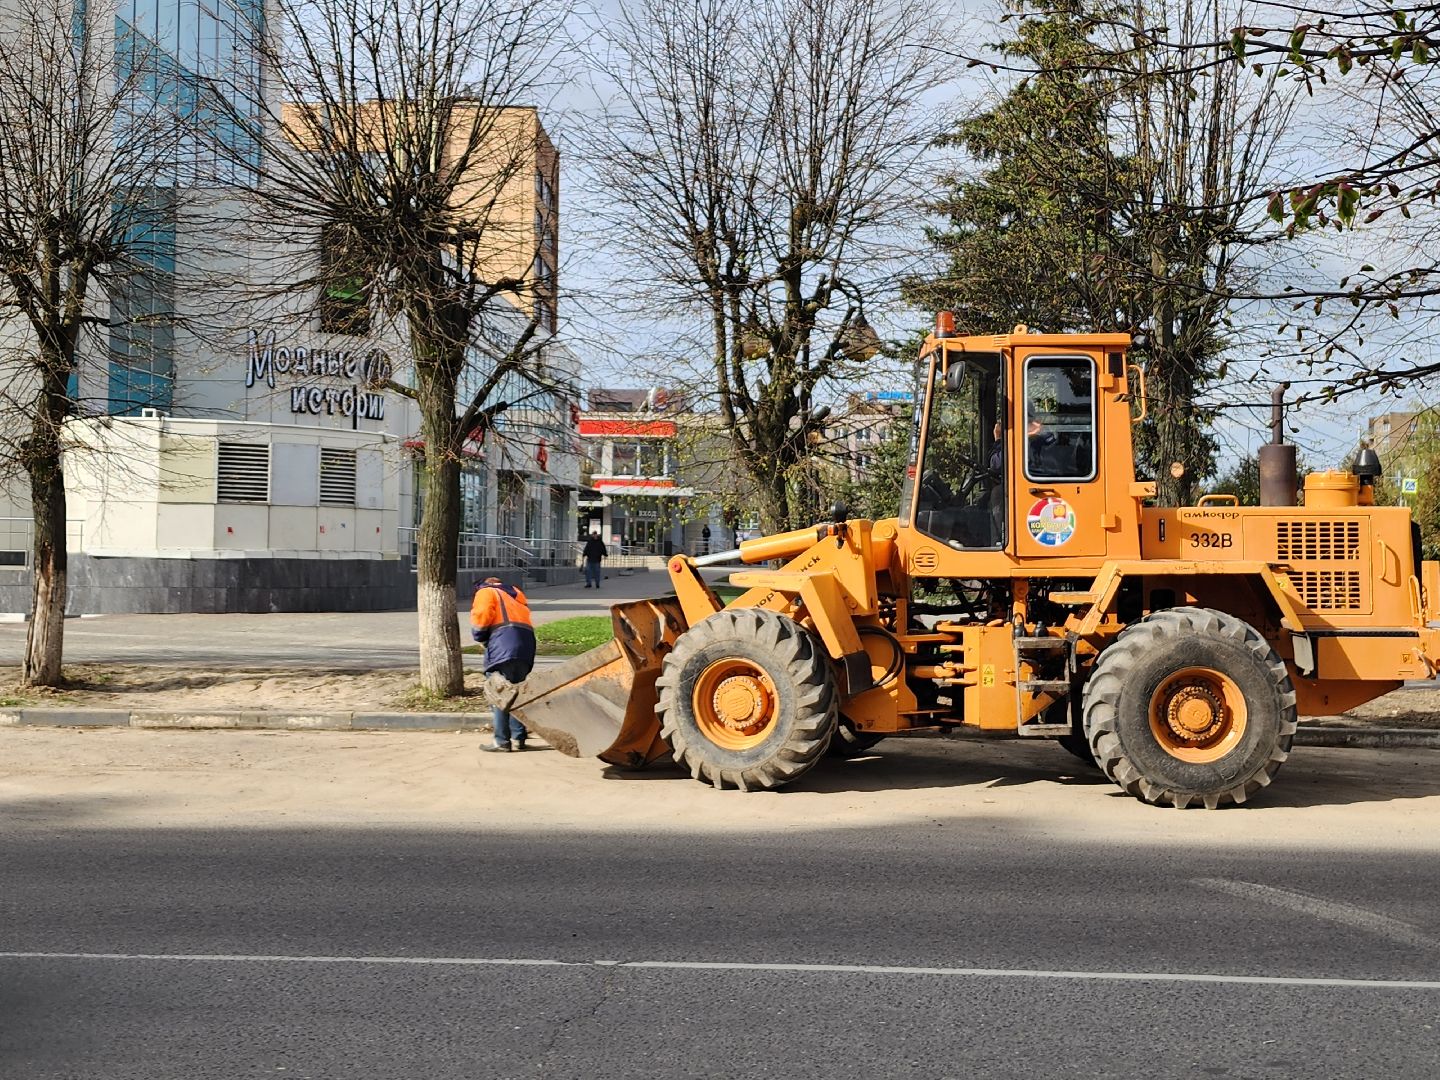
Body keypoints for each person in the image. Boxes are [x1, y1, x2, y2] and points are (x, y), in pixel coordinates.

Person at [470, 577, 536, 753]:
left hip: (504, 642)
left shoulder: (485, 592)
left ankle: (501, 741)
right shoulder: (515, 593)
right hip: (526, 643)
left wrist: (479, 636)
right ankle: (518, 737)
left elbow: (482, 615)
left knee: (499, 691)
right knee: (517, 691)